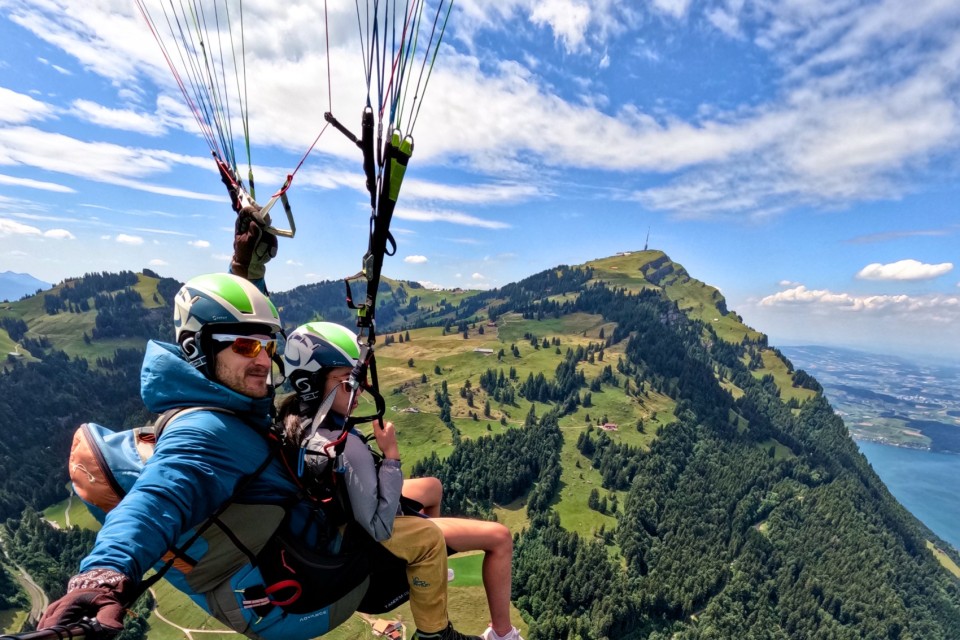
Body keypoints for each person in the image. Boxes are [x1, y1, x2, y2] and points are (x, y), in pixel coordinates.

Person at [39, 273, 476, 640]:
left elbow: (239, 345)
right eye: (247, 348)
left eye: (268, 347)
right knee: (426, 539)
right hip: (307, 594)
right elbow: (157, 499)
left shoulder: (229, 400)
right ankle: (436, 632)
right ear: (195, 348)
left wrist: (250, 263)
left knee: (426, 494)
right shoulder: (205, 431)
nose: (264, 361)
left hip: (303, 556)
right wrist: (102, 576)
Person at [280, 321, 524, 640]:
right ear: (311, 384)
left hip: (342, 515)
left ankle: (428, 574)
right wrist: (391, 457)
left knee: (432, 487)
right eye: (348, 381)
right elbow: (379, 526)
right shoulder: (345, 445)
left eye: (359, 379)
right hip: (367, 539)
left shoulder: (298, 419)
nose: (359, 389)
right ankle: (497, 634)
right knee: (500, 537)